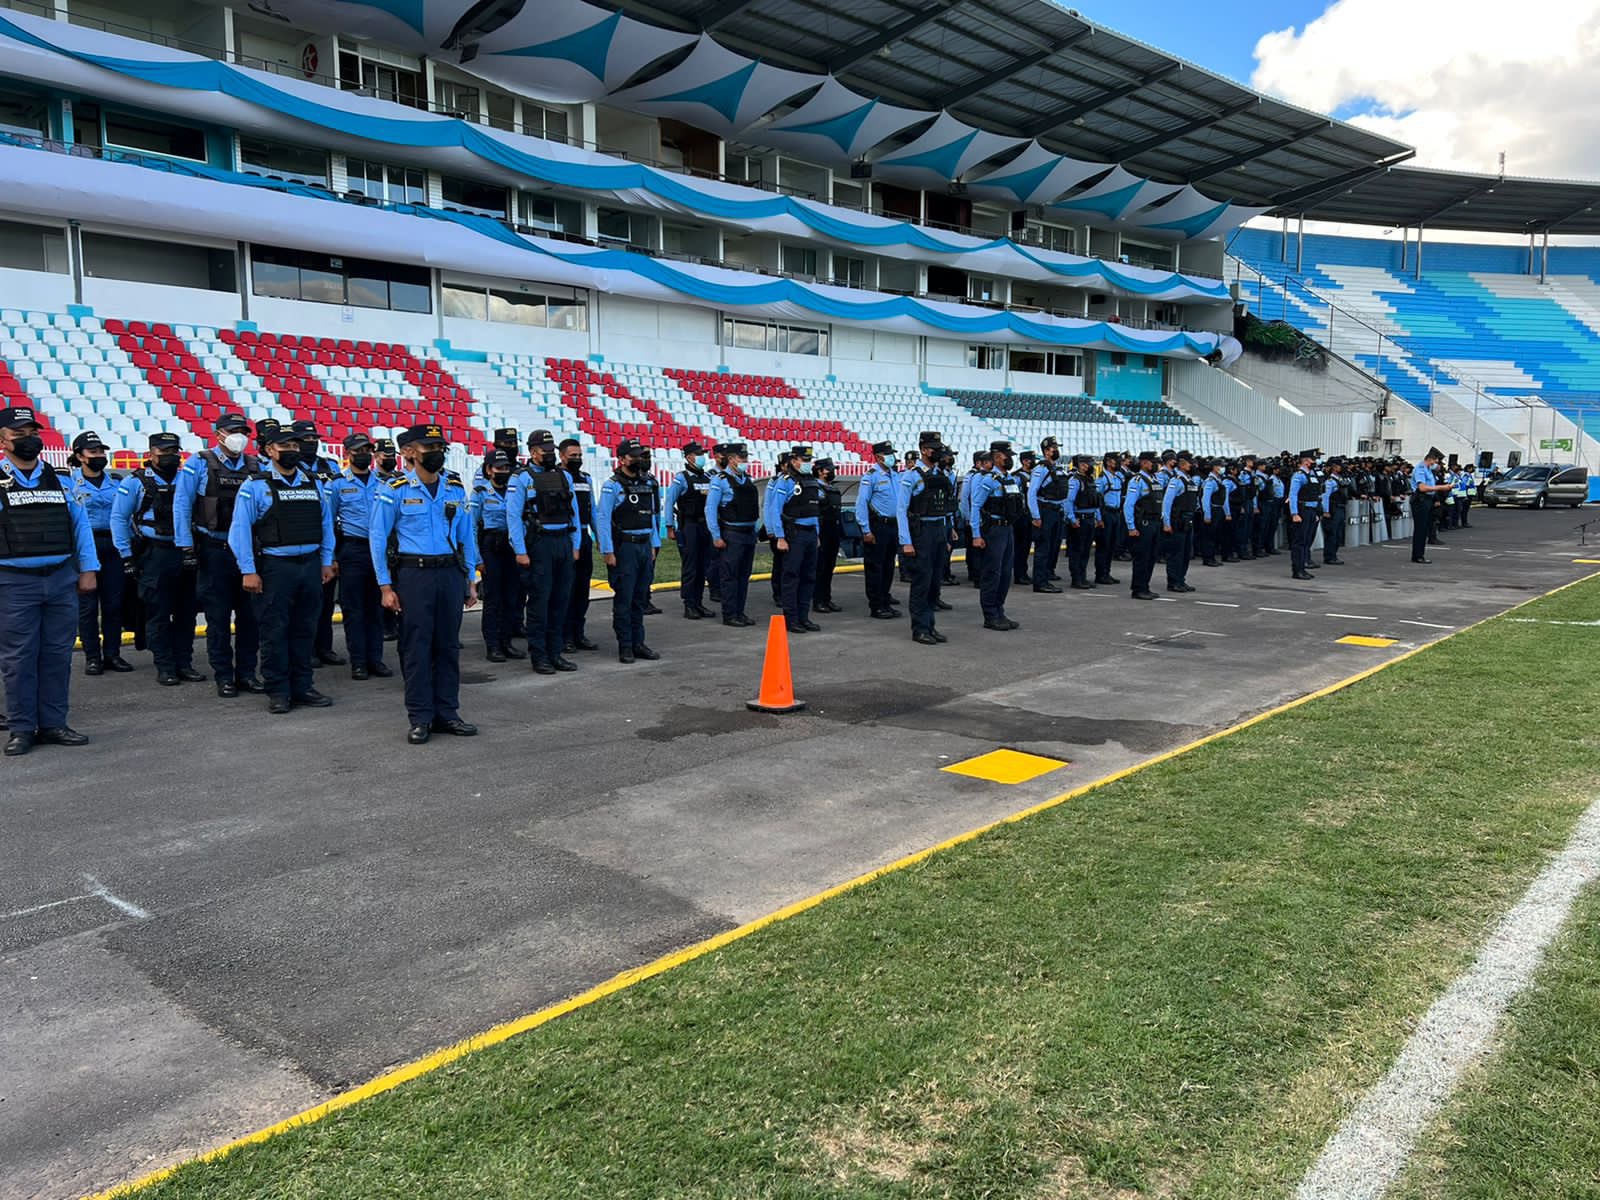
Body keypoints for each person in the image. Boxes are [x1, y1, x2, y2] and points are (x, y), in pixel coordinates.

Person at [369, 424, 479, 743]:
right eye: (429, 448)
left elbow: (465, 535)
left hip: (448, 573)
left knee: (447, 646)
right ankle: (420, 716)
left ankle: (447, 712)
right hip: (413, 575)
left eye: (439, 449)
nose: (437, 454)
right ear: (408, 453)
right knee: (416, 646)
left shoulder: (455, 487)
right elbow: (377, 538)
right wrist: (385, 586)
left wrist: (470, 578)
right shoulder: (396, 489)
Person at [0, 406, 97, 756]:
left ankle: (54, 723)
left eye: (32, 431)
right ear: (3, 440)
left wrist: (88, 569)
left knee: (57, 655)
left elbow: (80, 526)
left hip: (60, 579)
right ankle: (22, 728)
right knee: (19, 658)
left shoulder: (62, 479)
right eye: (19, 433)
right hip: (13, 581)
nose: (29, 439)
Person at [227, 424, 336, 714]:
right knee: (274, 631)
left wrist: (326, 561)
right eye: (284, 446)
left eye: (295, 446)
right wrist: (248, 570)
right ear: (269, 450)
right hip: (275, 567)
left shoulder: (313, 483)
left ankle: (302, 686)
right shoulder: (255, 486)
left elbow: (326, 526)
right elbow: (239, 531)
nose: (291, 451)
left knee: (305, 629)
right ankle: (278, 690)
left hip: (310, 565)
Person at [173, 414, 262, 698]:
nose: (239, 436)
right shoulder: (198, 463)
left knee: (250, 617)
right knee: (218, 617)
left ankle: (247, 673)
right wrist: (185, 547)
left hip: (248, 552)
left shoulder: (254, 465)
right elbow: (182, 505)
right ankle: (224, 675)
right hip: (214, 550)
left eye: (243, 431)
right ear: (219, 434)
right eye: (233, 431)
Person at [112, 432, 202, 687]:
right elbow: (119, 519)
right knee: (158, 612)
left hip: (186, 551)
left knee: (187, 612)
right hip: (155, 553)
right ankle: (165, 665)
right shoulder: (135, 482)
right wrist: (126, 556)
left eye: (174, 451)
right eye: (164, 451)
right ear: (151, 453)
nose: (170, 456)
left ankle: (184, 663)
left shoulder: (188, 478)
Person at [507, 429, 581, 675]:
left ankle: (555, 652)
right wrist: (520, 550)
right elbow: (513, 517)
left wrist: (576, 544)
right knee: (540, 602)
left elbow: (574, 514)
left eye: (551, 450)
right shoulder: (521, 478)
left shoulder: (563, 476)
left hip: (562, 542)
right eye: (544, 451)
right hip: (539, 544)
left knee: (561, 600)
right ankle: (539, 656)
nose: (548, 454)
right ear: (533, 452)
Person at [327, 431, 392, 679]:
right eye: (358, 451)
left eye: (367, 450)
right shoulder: (337, 484)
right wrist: (332, 557)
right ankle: (358, 662)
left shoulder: (383, 483)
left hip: (379, 550)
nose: (363, 455)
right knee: (354, 609)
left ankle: (375, 659)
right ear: (347, 453)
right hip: (352, 549)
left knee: (376, 607)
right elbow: (329, 523)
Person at [68, 431, 130, 675]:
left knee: (114, 604)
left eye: (101, 451)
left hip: (113, 545)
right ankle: (92, 656)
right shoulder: (70, 483)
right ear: (79, 456)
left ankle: (113, 654)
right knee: (88, 606)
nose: (99, 456)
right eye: (93, 452)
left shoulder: (116, 482)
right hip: (87, 545)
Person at [596, 439, 660, 663]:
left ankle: (639, 643)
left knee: (640, 597)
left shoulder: (647, 483)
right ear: (622, 460)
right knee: (624, 597)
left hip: (644, 545)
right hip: (625, 548)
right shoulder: (612, 485)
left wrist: (653, 543)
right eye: (634, 456)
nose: (639, 460)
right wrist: (607, 550)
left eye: (641, 455)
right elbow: (603, 519)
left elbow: (651, 516)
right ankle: (625, 646)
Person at [290, 419, 346, 668]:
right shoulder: (291, 466)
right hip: (302, 533)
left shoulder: (329, 465)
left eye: (314, 439)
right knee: (305, 602)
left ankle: (325, 647)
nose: (310, 443)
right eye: (305, 440)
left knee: (324, 600)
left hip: (329, 533)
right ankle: (307, 648)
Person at [897, 436, 957, 645]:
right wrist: (906, 541)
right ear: (923, 450)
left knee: (934, 582)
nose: (938, 452)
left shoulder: (940, 474)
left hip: (938, 530)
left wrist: (948, 534)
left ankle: (930, 625)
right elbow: (901, 509)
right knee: (922, 582)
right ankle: (920, 628)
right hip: (921, 531)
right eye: (934, 449)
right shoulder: (912, 476)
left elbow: (945, 507)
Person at [766, 444, 823, 634]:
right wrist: (780, 537)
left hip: (809, 534)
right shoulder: (785, 481)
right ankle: (791, 619)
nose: (807, 463)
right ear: (793, 461)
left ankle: (803, 617)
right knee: (792, 577)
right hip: (794, 534)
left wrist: (816, 534)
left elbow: (814, 511)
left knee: (808, 577)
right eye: (804, 460)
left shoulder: (812, 482)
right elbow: (775, 510)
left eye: (809, 460)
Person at [472, 449, 522, 663]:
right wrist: (477, 559)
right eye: (499, 468)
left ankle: (506, 642)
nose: (504, 471)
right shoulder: (480, 492)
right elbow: (471, 527)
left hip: (511, 547)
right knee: (493, 599)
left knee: (512, 598)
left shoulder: (514, 490)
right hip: (491, 546)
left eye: (506, 468)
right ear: (489, 470)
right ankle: (493, 645)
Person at [966, 442, 1022, 631]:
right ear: (997, 457)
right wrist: (976, 534)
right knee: (992, 573)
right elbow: (976, 506)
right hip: (994, 530)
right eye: (1007, 455)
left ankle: (999, 610)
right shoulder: (988, 479)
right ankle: (990, 615)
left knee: (1006, 573)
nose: (1011, 459)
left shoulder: (1010, 480)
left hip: (1007, 529)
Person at [707, 442, 758, 627]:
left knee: (743, 575)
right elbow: (710, 509)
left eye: (746, 457)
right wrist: (716, 535)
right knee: (730, 575)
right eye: (741, 458)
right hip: (732, 533)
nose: (745, 461)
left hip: (748, 533)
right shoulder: (720, 480)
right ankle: (730, 614)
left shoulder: (747, 479)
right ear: (731, 459)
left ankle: (740, 612)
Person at [665, 440, 717, 620]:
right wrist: (669, 526)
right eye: (698, 454)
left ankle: (698, 602)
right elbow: (669, 502)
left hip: (705, 527)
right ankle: (689, 604)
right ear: (689, 457)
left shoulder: (707, 478)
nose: (702, 457)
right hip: (689, 526)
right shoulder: (681, 478)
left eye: (703, 454)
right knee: (691, 567)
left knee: (703, 566)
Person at [559, 438, 600, 653]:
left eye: (579, 455)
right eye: (572, 455)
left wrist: (600, 537)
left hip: (584, 536)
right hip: (565, 537)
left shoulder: (586, 478)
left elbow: (592, 508)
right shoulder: (556, 477)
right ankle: (564, 635)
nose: (577, 459)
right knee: (566, 588)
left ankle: (578, 633)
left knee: (582, 589)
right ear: (562, 456)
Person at [854, 440, 901, 618]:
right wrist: (866, 530)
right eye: (888, 454)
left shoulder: (895, 475)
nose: (892, 457)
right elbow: (861, 504)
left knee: (889, 566)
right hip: (878, 526)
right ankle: (876, 605)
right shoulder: (871, 476)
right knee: (875, 567)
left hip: (893, 525)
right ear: (879, 457)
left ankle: (885, 600)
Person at [1027, 436, 1069, 593]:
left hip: (1056, 512)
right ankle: (1040, 582)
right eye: (1054, 448)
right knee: (1043, 549)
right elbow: (1032, 494)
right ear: (1046, 451)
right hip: (1045, 512)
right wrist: (1036, 516)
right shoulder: (1041, 469)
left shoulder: (1057, 468)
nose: (1057, 450)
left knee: (1052, 547)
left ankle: (1046, 577)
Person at [1122, 449, 1162, 600]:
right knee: (1142, 558)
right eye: (1154, 462)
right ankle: (1138, 589)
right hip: (1143, 524)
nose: (1156, 465)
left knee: (1151, 557)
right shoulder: (1137, 481)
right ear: (1145, 463)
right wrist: (1131, 527)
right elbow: (1128, 505)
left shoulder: (1154, 480)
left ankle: (1145, 586)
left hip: (1154, 523)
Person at [1160, 450, 1198, 593]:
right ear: (1182, 464)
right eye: (1190, 463)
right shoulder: (1176, 481)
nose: (1193, 465)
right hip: (1177, 522)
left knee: (1186, 553)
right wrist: (1167, 523)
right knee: (1176, 554)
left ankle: (1181, 580)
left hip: (1188, 521)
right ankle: (1174, 582)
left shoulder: (1189, 480)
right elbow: (1167, 503)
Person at [1064, 454, 1102, 589]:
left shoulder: (1090, 480)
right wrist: (1072, 519)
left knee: (1085, 551)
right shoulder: (1075, 481)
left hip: (1090, 519)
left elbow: (1095, 502)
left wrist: (1099, 518)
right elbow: (1068, 501)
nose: (1093, 467)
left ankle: (1083, 577)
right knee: (1077, 551)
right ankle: (1076, 579)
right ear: (1083, 465)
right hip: (1080, 520)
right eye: (1090, 464)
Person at [812, 456, 844, 613]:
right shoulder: (815, 489)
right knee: (820, 567)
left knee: (829, 566)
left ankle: (826, 598)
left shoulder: (832, 488)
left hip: (833, 530)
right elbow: (815, 513)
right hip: (822, 531)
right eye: (829, 470)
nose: (832, 473)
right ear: (820, 471)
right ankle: (818, 600)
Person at [1410, 448, 1453, 564]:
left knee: (1425, 528)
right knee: (1421, 528)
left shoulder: (1428, 469)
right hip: (1420, 500)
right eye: (1435, 461)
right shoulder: (1421, 469)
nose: (1436, 464)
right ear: (1430, 460)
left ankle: (1420, 553)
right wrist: (1441, 488)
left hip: (1427, 500)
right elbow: (1422, 488)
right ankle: (1417, 555)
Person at [1286, 450, 1322, 580]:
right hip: (1303, 510)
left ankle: (1303, 567)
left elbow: (1316, 495)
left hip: (1312, 511)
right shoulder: (1299, 475)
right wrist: (1294, 513)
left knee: (1307, 540)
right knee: (1299, 542)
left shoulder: (1312, 475)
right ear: (1306, 461)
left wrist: (1317, 512)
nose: (1315, 462)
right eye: (1313, 460)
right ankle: (1297, 570)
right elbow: (1293, 495)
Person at [1094, 451, 1124, 584]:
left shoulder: (1118, 477)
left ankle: (1107, 572)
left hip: (1116, 514)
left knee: (1112, 545)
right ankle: (1100, 574)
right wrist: (1098, 518)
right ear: (1108, 462)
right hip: (1106, 514)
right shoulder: (1102, 479)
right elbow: (1096, 500)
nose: (1118, 463)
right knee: (1103, 546)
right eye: (1115, 460)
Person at [1011, 449, 1037, 585]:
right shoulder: (1017, 477)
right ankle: (1019, 574)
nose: (1033, 462)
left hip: (1031, 515)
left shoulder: (1035, 475)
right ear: (1024, 461)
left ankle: (1023, 572)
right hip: (1021, 516)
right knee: (1020, 547)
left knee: (1026, 546)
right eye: (1030, 459)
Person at [1197, 458, 1227, 568]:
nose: (1222, 468)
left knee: (1214, 535)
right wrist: (1207, 515)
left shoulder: (1218, 480)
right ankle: (1208, 558)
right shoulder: (1210, 481)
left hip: (1217, 510)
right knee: (1209, 536)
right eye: (1220, 466)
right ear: (1214, 467)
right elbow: (1205, 499)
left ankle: (1212, 557)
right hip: (1212, 510)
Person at [1320, 457, 1349, 565]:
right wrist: (1325, 511)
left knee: (1338, 534)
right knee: (1332, 533)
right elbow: (1325, 497)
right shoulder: (1330, 481)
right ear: (1335, 467)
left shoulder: (1340, 478)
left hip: (1341, 508)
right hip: (1334, 509)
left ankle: (1334, 554)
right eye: (1340, 466)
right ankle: (1329, 556)